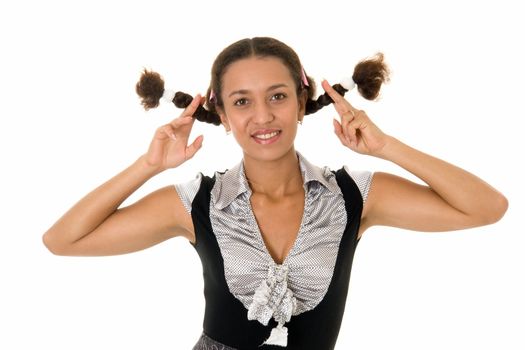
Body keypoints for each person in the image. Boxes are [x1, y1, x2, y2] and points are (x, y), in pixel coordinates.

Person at [42, 37, 508, 350]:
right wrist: (147, 166)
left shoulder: (357, 197)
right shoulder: (194, 204)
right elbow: (62, 240)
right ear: (221, 114)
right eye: (242, 101)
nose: (262, 116)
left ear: (302, 102)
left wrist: (388, 148)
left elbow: (487, 208)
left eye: (278, 96)